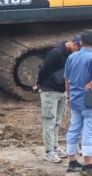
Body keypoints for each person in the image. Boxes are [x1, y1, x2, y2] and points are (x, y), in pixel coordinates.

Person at [65, 30, 92, 176]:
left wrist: (68, 97)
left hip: (75, 98)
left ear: (81, 43)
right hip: (90, 99)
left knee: (74, 128)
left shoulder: (72, 56)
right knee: (89, 131)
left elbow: (67, 78)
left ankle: (72, 161)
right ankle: (88, 164)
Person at [34, 35, 81, 163]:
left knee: (57, 121)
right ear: (74, 44)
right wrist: (39, 83)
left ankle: (55, 147)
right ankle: (49, 152)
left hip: (61, 90)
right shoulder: (56, 52)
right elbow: (44, 68)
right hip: (50, 90)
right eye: (78, 49)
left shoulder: (69, 53)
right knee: (49, 121)